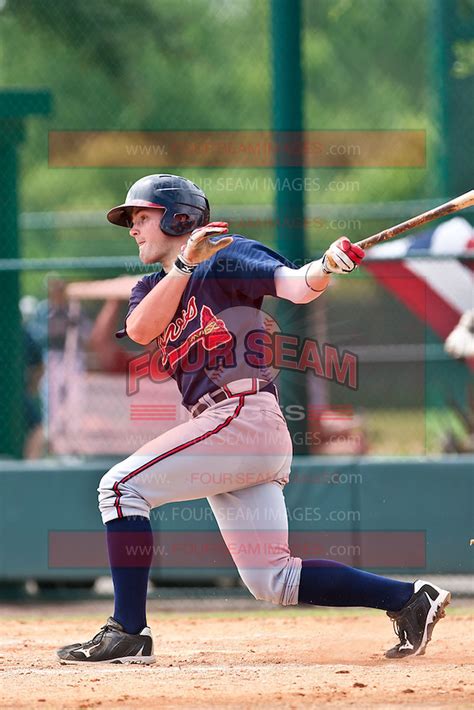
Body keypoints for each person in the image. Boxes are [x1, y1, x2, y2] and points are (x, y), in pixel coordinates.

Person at [57, 174, 450, 664]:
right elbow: (140, 330)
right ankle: (409, 600)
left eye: (142, 217)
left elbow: (296, 285)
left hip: (241, 415)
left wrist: (327, 266)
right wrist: (182, 265)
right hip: (233, 433)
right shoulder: (151, 286)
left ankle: (128, 631)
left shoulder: (228, 254)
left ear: (179, 216)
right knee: (272, 579)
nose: (133, 228)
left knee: (119, 488)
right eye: (131, 220)